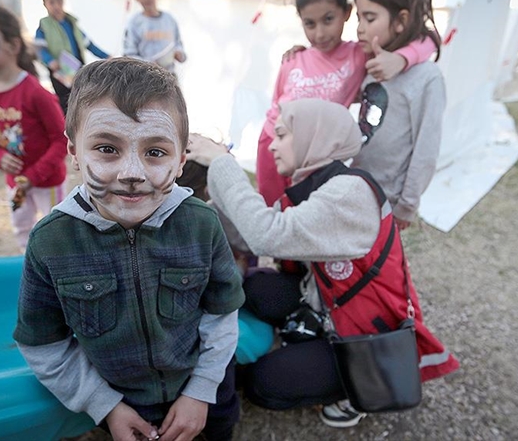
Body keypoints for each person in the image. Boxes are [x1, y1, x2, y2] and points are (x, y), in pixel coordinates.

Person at [187, 98, 459, 429]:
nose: (272, 145)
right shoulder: (314, 188)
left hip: (363, 336)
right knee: (257, 286)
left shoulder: (348, 194)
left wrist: (222, 163)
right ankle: (305, 341)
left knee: (263, 383)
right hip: (328, 308)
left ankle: (351, 389)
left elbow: (266, 236)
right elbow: (249, 235)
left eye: (283, 135)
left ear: (317, 138)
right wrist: (199, 208)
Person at [13, 57, 246, 441]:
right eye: (107, 148)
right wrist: (103, 406)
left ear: (180, 159)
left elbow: (222, 315)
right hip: (120, 401)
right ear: (74, 151)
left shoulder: (201, 224)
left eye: (155, 152)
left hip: (206, 389)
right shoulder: (51, 243)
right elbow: (43, 343)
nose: (132, 173)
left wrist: (202, 391)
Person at [256, 0, 438, 206]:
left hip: (315, 158)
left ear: (346, 13)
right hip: (273, 144)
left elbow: (430, 39)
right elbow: (276, 103)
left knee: (303, 216)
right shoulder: (293, 59)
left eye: (328, 20)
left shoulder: (358, 55)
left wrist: (402, 58)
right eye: (309, 24)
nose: (319, 33)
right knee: (270, 209)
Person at [0, 4, 67, 252]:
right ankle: (28, 267)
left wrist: (32, 177)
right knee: (21, 227)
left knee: (55, 231)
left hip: (47, 181)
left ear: (12, 45)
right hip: (15, 183)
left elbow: (62, 140)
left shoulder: (35, 93)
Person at [351, 0, 446, 230]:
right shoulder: (370, 64)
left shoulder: (427, 78)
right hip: (357, 186)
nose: (360, 28)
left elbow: (426, 148)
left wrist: (407, 205)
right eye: (358, 18)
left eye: (369, 19)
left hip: (388, 200)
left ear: (401, 20)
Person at [34, 0, 111, 114]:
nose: (57, 6)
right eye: (52, 2)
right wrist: (50, 61)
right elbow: (39, 50)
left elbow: (89, 45)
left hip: (78, 69)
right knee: (66, 105)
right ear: (45, 4)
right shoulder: (44, 27)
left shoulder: (72, 23)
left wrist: (107, 57)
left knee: (85, 99)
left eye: (59, 1)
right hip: (59, 73)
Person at [123, 0, 186, 73]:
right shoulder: (134, 23)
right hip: (146, 80)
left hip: (170, 77)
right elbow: (129, 55)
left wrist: (179, 54)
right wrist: (149, 64)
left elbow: (179, 45)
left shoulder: (169, 20)